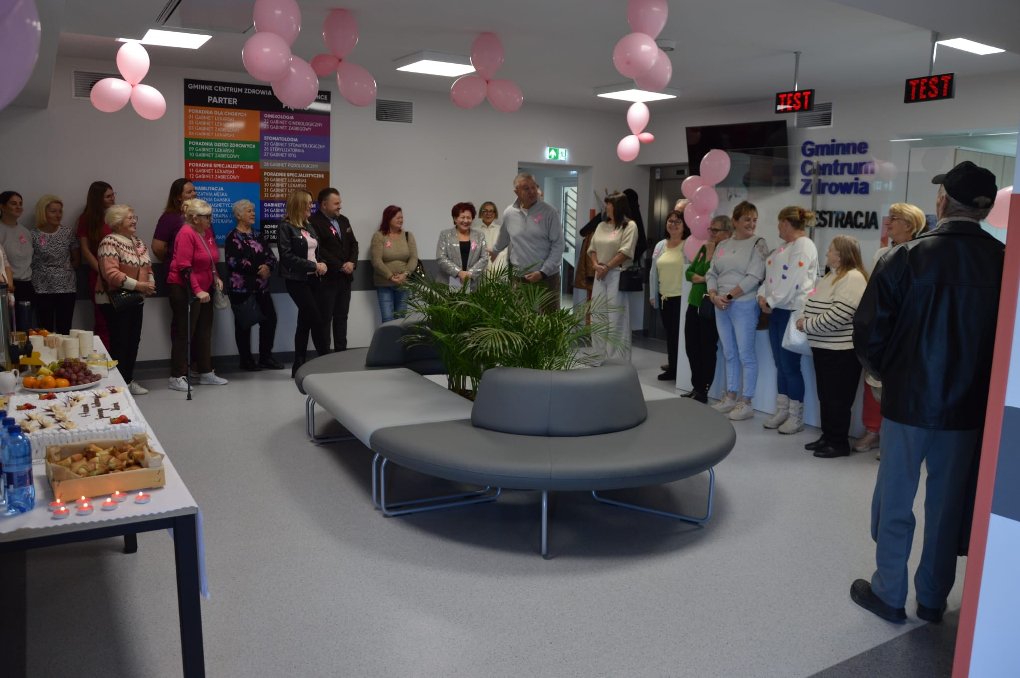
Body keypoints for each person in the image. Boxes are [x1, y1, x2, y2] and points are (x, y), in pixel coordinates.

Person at [850, 161, 1004, 625]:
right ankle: (933, 598)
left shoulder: (904, 257)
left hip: (908, 402)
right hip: (969, 408)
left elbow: (869, 333)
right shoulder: (1006, 262)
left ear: (942, 202)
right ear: (986, 210)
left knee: (895, 498)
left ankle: (889, 593)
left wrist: (887, 375)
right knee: (947, 504)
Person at [855, 202, 926, 456]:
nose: (888, 223)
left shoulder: (921, 254)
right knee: (872, 383)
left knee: (897, 388)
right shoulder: (882, 254)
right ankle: (872, 431)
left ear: (908, 224)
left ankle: (891, 437)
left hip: (904, 332)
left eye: (894, 218)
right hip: (881, 328)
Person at [796, 236, 867, 458]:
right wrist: (803, 316)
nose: (827, 253)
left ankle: (838, 443)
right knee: (826, 397)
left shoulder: (853, 278)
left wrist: (807, 324)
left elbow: (840, 315)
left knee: (838, 400)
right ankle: (827, 436)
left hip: (842, 352)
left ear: (841, 254)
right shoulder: (831, 276)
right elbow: (811, 301)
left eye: (831, 249)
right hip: (824, 348)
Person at [757, 206, 819, 434]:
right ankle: (782, 409)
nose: (778, 227)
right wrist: (761, 295)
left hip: (791, 312)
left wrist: (770, 301)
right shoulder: (783, 247)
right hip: (776, 311)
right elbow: (770, 278)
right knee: (780, 364)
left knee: (790, 365)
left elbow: (792, 280)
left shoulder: (804, 245)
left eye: (779, 223)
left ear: (785, 222)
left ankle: (796, 416)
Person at [706, 201, 768, 421]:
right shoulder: (723, 244)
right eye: (746, 219)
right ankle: (730, 396)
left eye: (754, 220)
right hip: (720, 304)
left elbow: (755, 276)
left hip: (743, 304)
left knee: (745, 354)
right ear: (735, 221)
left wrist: (729, 296)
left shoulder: (758, 243)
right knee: (729, 352)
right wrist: (714, 295)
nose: (751, 223)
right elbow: (711, 273)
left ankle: (746, 401)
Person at [166, 198, 228, 391]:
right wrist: (197, 290)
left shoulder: (206, 232)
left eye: (210, 215)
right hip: (184, 288)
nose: (210, 219)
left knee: (204, 330)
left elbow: (211, 259)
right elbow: (184, 266)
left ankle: (205, 372)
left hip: (205, 287)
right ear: (194, 218)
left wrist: (216, 277)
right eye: (206, 216)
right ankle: (177, 376)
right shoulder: (186, 233)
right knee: (184, 332)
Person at [96, 204, 155, 395]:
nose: (134, 220)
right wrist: (139, 286)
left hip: (136, 299)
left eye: (134, 217)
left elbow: (147, 267)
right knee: (120, 342)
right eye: (130, 218)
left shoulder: (138, 242)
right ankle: (118, 384)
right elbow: (111, 274)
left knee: (133, 340)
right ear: (117, 221)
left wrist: (150, 283)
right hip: (114, 302)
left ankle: (128, 380)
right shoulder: (109, 242)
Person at [492, 172, 564, 313]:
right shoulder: (509, 213)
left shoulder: (550, 212)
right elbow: (504, 237)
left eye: (534, 187)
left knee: (549, 320)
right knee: (520, 317)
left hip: (547, 277)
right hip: (520, 277)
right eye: (526, 188)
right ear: (516, 192)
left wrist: (543, 272)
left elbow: (558, 245)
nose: (532, 191)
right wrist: (494, 250)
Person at [225, 199, 282, 371]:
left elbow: (271, 257)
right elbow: (233, 262)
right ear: (238, 215)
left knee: (270, 320)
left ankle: (266, 357)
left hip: (261, 287)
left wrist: (268, 267)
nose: (253, 214)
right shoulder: (232, 237)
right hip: (242, 289)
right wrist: (259, 269)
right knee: (244, 324)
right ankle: (246, 360)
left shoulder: (259, 235)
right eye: (249, 211)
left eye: (253, 211)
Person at [278, 190, 329, 377]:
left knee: (305, 322)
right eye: (308, 203)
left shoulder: (308, 225)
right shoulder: (285, 227)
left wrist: (322, 263)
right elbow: (287, 256)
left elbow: (316, 252)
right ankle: (327, 361)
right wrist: (313, 265)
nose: (311, 206)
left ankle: (298, 364)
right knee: (316, 320)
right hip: (297, 281)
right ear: (299, 205)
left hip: (314, 279)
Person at [683, 215, 731, 402]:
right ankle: (696, 386)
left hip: (709, 305)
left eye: (716, 230)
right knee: (691, 346)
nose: (711, 233)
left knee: (707, 348)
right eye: (710, 229)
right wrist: (704, 277)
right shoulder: (704, 248)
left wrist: (708, 262)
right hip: (694, 302)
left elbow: (711, 274)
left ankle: (703, 389)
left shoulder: (725, 252)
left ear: (727, 233)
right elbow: (689, 273)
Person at [588, 192, 638, 361]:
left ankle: (617, 360)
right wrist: (596, 265)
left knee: (616, 318)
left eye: (608, 204)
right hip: (600, 274)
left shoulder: (629, 226)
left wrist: (607, 267)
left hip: (617, 274)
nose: (606, 207)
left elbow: (625, 252)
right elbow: (592, 249)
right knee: (597, 315)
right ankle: (598, 356)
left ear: (617, 206)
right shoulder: (601, 226)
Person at [308, 187, 358, 352]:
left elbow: (353, 244)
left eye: (340, 203)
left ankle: (341, 353)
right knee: (325, 319)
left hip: (345, 279)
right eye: (336, 203)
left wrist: (351, 262)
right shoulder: (313, 222)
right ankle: (325, 356)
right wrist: (340, 265)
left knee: (341, 317)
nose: (340, 206)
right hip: (327, 280)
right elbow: (319, 249)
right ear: (324, 204)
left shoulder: (344, 220)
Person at [31, 194, 79, 333]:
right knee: (45, 330)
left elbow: (77, 259)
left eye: (60, 211)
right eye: (53, 211)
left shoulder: (68, 233)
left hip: (66, 288)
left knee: (64, 328)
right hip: (42, 288)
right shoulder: (33, 234)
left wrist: (64, 271)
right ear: (43, 213)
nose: (58, 215)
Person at [648, 209, 688, 380]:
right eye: (670, 221)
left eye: (678, 222)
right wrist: (653, 295)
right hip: (664, 297)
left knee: (680, 336)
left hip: (681, 298)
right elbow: (653, 272)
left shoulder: (688, 245)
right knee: (670, 335)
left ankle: (682, 370)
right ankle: (673, 367)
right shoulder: (660, 245)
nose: (673, 225)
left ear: (685, 225)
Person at [76, 181, 116, 349]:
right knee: (102, 319)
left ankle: (118, 356)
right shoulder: (86, 219)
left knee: (118, 320)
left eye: (113, 195)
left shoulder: (116, 217)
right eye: (108, 196)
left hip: (117, 274)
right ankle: (103, 356)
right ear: (97, 199)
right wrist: (102, 271)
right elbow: (85, 250)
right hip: (98, 275)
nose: (113, 198)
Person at [369, 205, 418, 322]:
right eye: (397, 218)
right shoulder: (379, 236)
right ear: (388, 218)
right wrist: (390, 276)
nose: (401, 220)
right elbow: (376, 260)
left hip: (403, 283)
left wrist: (405, 274)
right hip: (384, 284)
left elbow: (413, 258)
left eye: (402, 217)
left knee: (401, 320)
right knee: (387, 319)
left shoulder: (408, 236)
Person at [151, 178, 197, 283]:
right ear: (178, 197)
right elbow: (158, 248)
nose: (194, 194)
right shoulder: (169, 218)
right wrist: (173, 259)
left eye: (194, 190)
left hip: (199, 273)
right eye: (189, 192)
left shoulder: (200, 216)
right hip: (178, 276)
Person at [436, 202, 488, 290]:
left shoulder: (479, 236)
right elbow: (441, 258)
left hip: (472, 282)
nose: (466, 221)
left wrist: (469, 274)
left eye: (469, 217)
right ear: (455, 219)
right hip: (448, 282)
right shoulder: (445, 235)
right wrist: (459, 272)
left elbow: (484, 258)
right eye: (462, 217)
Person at [0, 191, 30, 316]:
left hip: (26, 284)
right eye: (13, 203)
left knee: (24, 324)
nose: (18, 207)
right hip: (6, 286)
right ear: (2, 207)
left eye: (20, 204)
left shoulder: (25, 232)